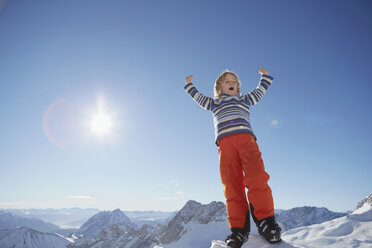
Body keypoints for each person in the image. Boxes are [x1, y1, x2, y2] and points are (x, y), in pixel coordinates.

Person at [184, 67, 281, 247]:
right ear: (219, 87)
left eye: (234, 82)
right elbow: (198, 98)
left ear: (238, 87)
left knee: (257, 177)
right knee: (231, 185)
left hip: (246, 141)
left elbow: (259, 92)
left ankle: (267, 223)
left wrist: (265, 78)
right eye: (227, 81)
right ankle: (238, 231)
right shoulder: (214, 103)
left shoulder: (244, 99)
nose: (232, 84)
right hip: (225, 145)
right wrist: (190, 86)